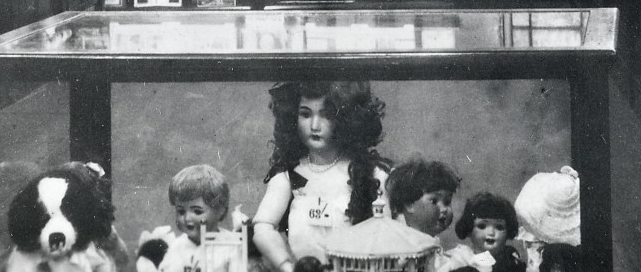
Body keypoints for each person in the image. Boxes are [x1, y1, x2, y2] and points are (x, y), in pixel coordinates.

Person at [252, 82, 389, 271]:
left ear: (346, 118)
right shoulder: (287, 175)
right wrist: (287, 267)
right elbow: (263, 227)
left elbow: (389, 237)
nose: (314, 126)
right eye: (305, 114)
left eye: (326, 115)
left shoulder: (371, 173)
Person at [137, 165, 236, 272]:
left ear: (220, 211)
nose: (187, 218)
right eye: (181, 211)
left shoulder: (231, 246)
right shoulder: (176, 247)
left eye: (197, 212)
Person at [385, 157, 459, 239]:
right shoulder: (405, 242)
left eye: (447, 202)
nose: (444, 209)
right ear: (409, 204)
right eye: (434, 201)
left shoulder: (431, 242)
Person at [446, 192, 522, 272]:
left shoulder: (511, 261)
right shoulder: (458, 260)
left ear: (508, 232)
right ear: (469, 230)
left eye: (499, 227)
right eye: (482, 226)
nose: (491, 233)